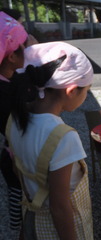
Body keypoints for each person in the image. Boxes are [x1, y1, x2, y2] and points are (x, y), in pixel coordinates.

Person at [6, 41, 94, 239]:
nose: (86, 95)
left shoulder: (14, 119)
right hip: (58, 229)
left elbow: (15, 168)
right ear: (71, 91)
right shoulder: (64, 137)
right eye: (86, 90)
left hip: (32, 216)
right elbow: (60, 207)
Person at [0, 11, 28, 231]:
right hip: (17, 158)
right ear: (11, 56)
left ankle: (17, 226)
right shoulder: (8, 91)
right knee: (21, 197)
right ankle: (20, 230)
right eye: (24, 46)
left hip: (8, 154)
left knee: (15, 194)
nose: (28, 50)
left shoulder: (10, 77)